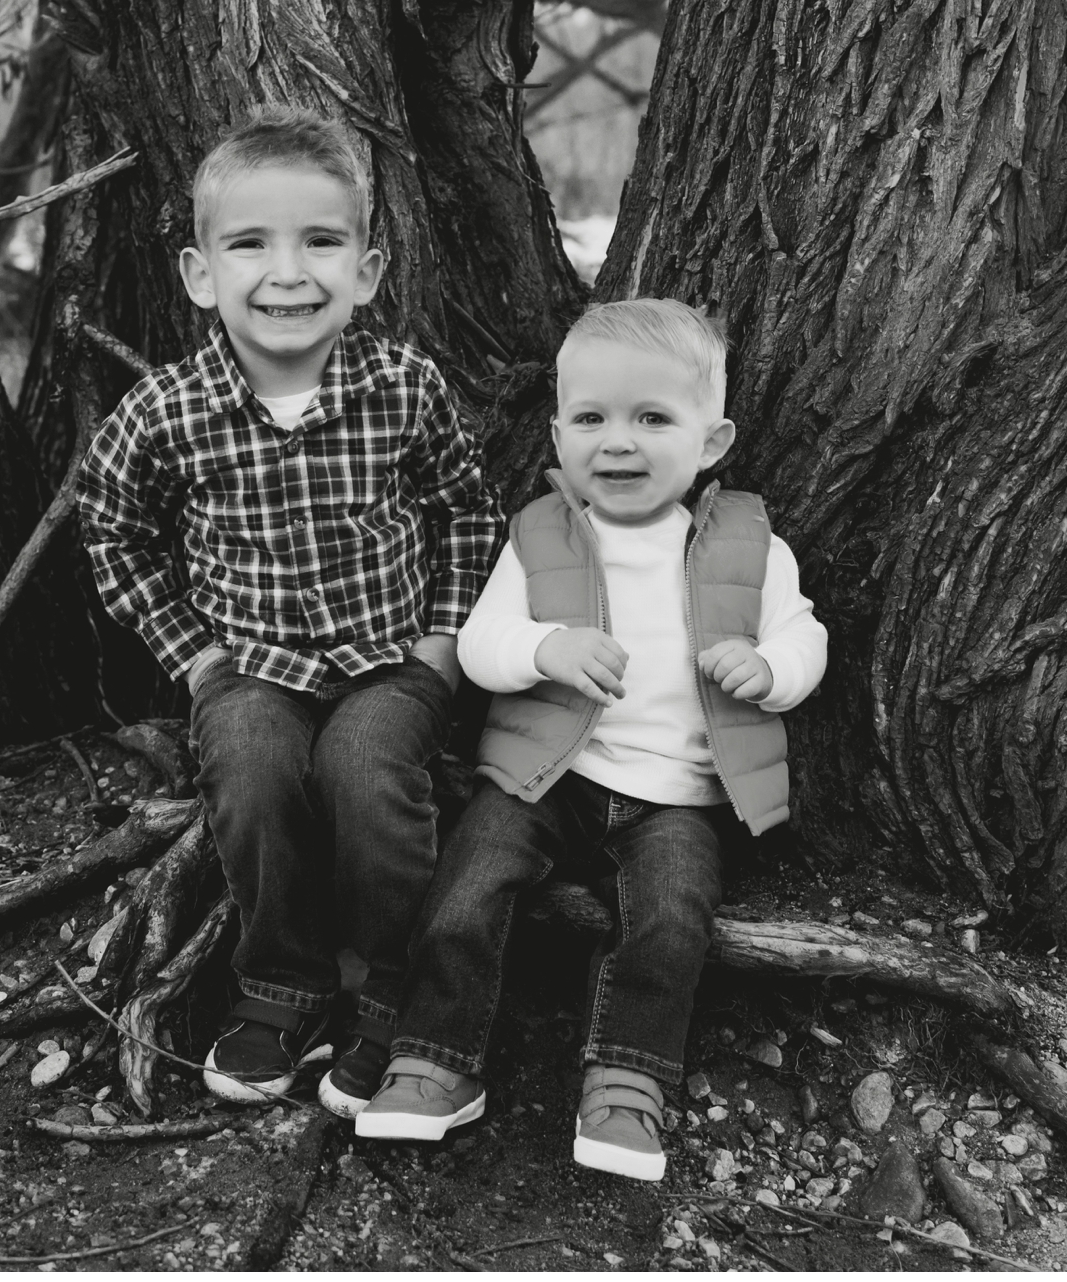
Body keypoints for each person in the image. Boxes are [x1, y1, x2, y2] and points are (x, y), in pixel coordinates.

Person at [73, 107, 501, 1116]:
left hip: (393, 655)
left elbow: (462, 508)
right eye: (250, 243)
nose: (288, 271)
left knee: (365, 772)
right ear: (199, 273)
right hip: (248, 662)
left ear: (368, 268)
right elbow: (112, 531)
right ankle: (280, 985)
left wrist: (442, 640)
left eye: (321, 240)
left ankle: (389, 993)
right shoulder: (167, 411)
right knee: (256, 768)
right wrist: (195, 656)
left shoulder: (403, 387)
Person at [354, 298, 827, 1180]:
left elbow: (806, 636)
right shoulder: (538, 535)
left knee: (672, 915)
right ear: (559, 430)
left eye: (653, 418)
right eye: (592, 417)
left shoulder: (752, 543)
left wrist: (771, 668)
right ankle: (432, 1060)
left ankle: (626, 1083)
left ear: (712, 441)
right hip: (544, 776)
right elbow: (480, 643)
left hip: (677, 794)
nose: (618, 441)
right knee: (465, 886)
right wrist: (547, 647)